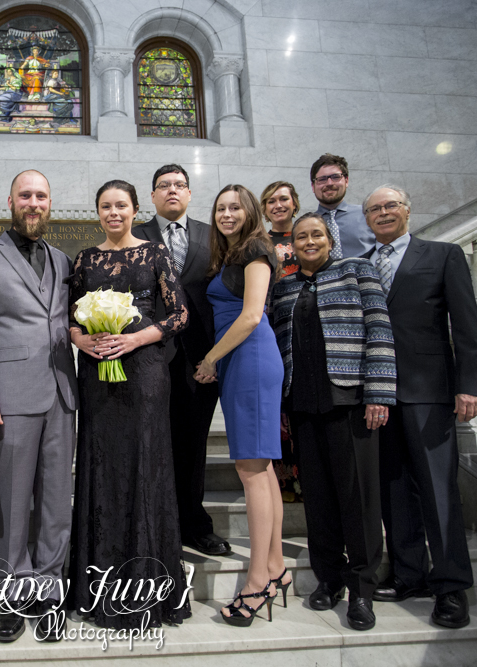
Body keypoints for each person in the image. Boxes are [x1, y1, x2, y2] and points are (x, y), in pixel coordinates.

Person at [67, 180, 192, 629]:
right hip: (98, 375)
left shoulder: (155, 253)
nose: (113, 213)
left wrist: (134, 338)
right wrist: (86, 340)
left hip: (144, 373)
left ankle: (146, 585)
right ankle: (97, 584)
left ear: (136, 209)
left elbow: (179, 314)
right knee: (102, 465)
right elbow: (67, 318)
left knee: (144, 464)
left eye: (121, 205)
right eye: (105, 206)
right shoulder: (84, 259)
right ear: (97, 211)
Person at [0, 169, 77, 643]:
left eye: (41, 196)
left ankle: (49, 589)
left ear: (50, 203)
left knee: (54, 498)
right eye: (25, 195)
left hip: (61, 392)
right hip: (9, 393)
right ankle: (12, 587)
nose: (33, 203)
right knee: (12, 496)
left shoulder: (64, 260)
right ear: (10, 200)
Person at [362, 185, 477, 629]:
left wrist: (470, 384)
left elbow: (467, 324)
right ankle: (408, 573)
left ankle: (451, 586)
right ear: (367, 219)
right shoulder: (362, 263)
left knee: (438, 492)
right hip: (379, 396)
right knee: (394, 492)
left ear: (407, 211)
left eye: (390, 206)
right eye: (374, 209)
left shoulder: (442, 254)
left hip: (430, 392)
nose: (383, 213)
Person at [271, 213, 397, 632]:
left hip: (350, 400)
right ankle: (328, 578)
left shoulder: (357, 270)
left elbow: (379, 331)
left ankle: (362, 587)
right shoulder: (285, 285)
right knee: (319, 497)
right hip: (304, 404)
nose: (309, 241)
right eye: (301, 236)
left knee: (357, 498)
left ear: (330, 239)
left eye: (316, 235)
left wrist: (379, 392)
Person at [194, 184, 286, 627]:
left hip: (249, 359)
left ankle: (256, 583)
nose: (226, 214)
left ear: (249, 212)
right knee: (261, 469)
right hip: (240, 362)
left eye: (235, 207)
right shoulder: (231, 253)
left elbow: (251, 315)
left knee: (251, 471)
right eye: (220, 208)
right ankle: (276, 567)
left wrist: (210, 358)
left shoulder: (256, 250)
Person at [133, 165, 229, 557]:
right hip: (148, 356)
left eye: (179, 185)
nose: (172, 191)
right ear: (152, 196)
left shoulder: (214, 234)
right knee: (151, 442)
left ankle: (193, 521)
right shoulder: (136, 235)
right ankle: (153, 522)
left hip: (200, 359)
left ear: (189, 193)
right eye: (163, 186)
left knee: (192, 445)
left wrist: (217, 356)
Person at [260, 181, 302, 502]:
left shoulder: (309, 234)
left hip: (305, 325)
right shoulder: (260, 242)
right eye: (271, 201)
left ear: (295, 203)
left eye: (283, 199)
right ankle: (285, 481)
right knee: (280, 406)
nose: (278, 205)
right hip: (273, 327)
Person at [310, 154, 373, 260]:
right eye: (322, 179)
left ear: (346, 180)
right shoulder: (307, 224)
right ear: (313, 186)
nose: (329, 183)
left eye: (335, 177)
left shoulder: (367, 214)